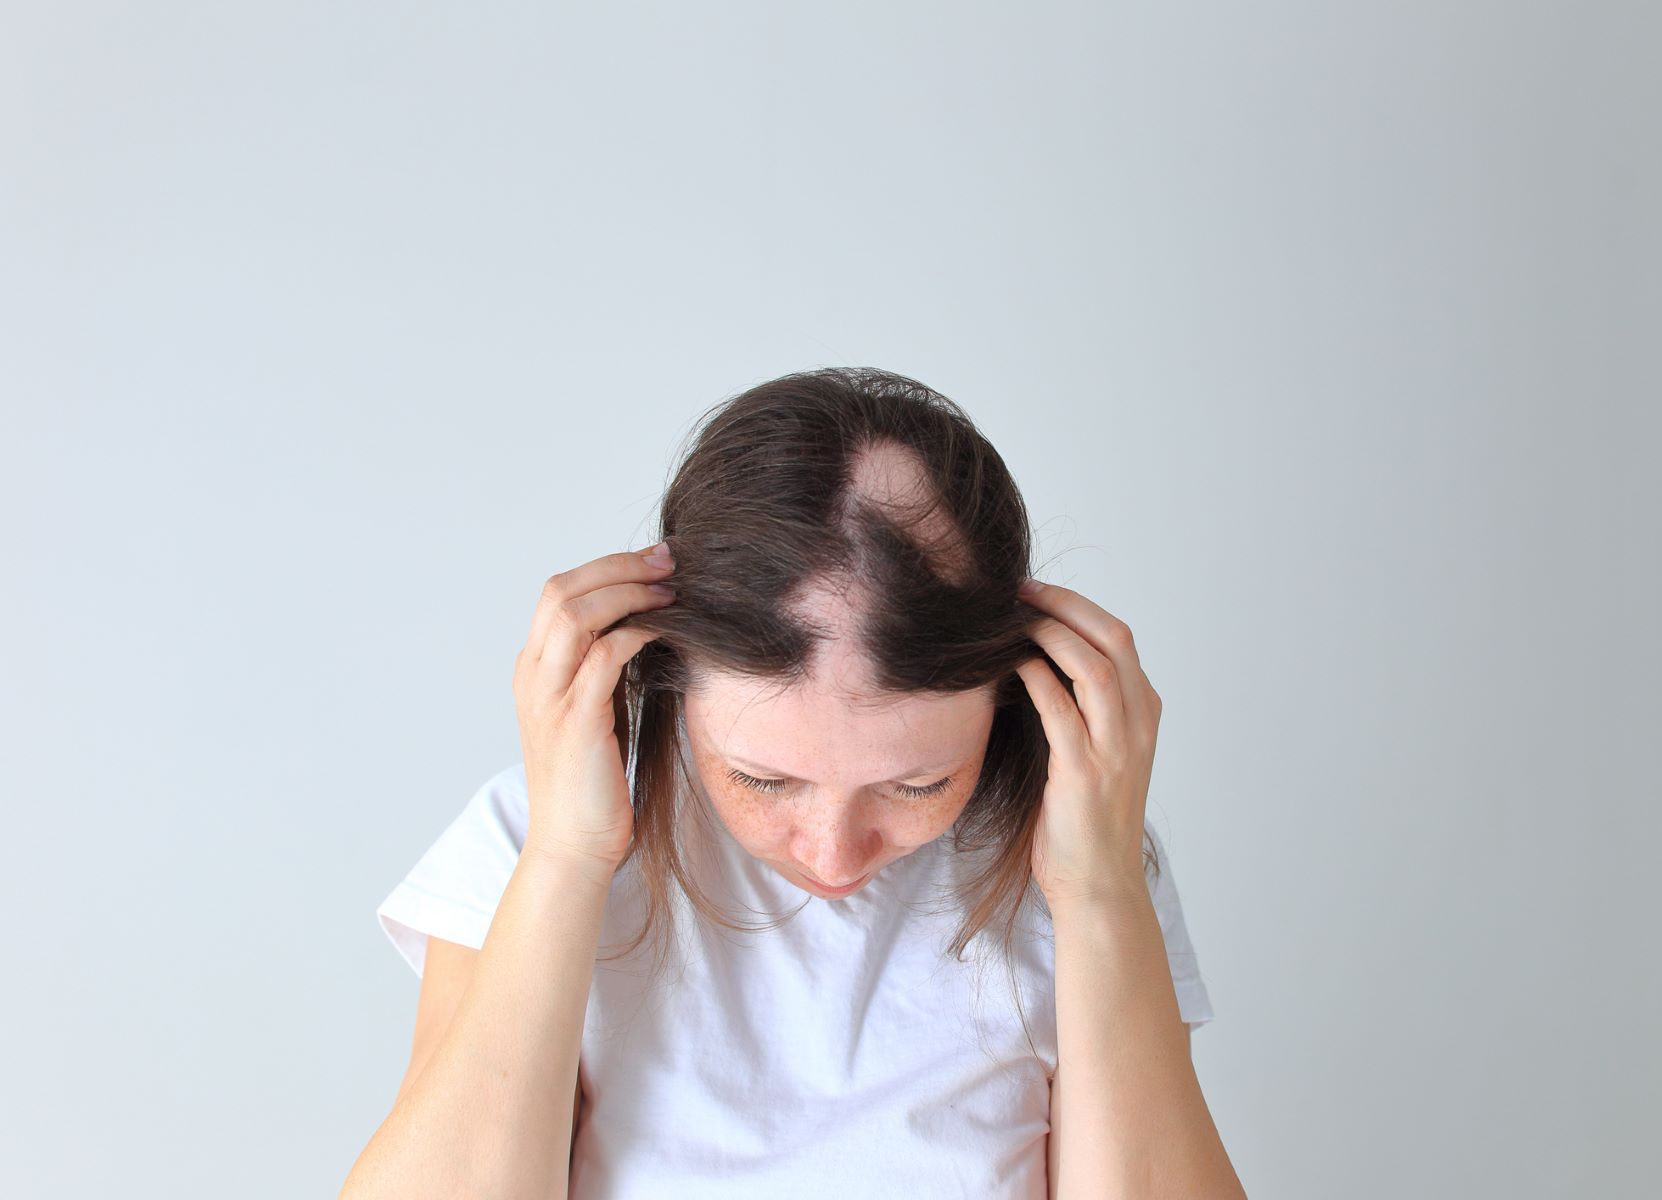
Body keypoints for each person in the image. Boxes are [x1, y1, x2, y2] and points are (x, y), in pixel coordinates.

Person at [338, 367, 1245, 1199]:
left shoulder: (1080, 860)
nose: (834, 853)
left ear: (1013, 702)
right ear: (669, 678)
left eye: (918, 784)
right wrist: (569, 858)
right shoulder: (526, 836)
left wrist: (1100, 893)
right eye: (764, 780)